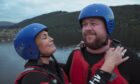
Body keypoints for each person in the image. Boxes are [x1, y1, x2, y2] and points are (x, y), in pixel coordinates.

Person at [14, 23, 128, 84]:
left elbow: (71, 68)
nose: (52, 39)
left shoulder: (51, 67)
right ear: (31, 48)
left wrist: (79, 47)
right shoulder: (33, 78)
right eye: (45, 37)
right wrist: (108, 66)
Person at [64, 3, 140, 84]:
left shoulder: (127, 58)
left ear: (108, 27)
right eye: (84, 24)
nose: (87, 28)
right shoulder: (74, 55)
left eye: (93, 23)